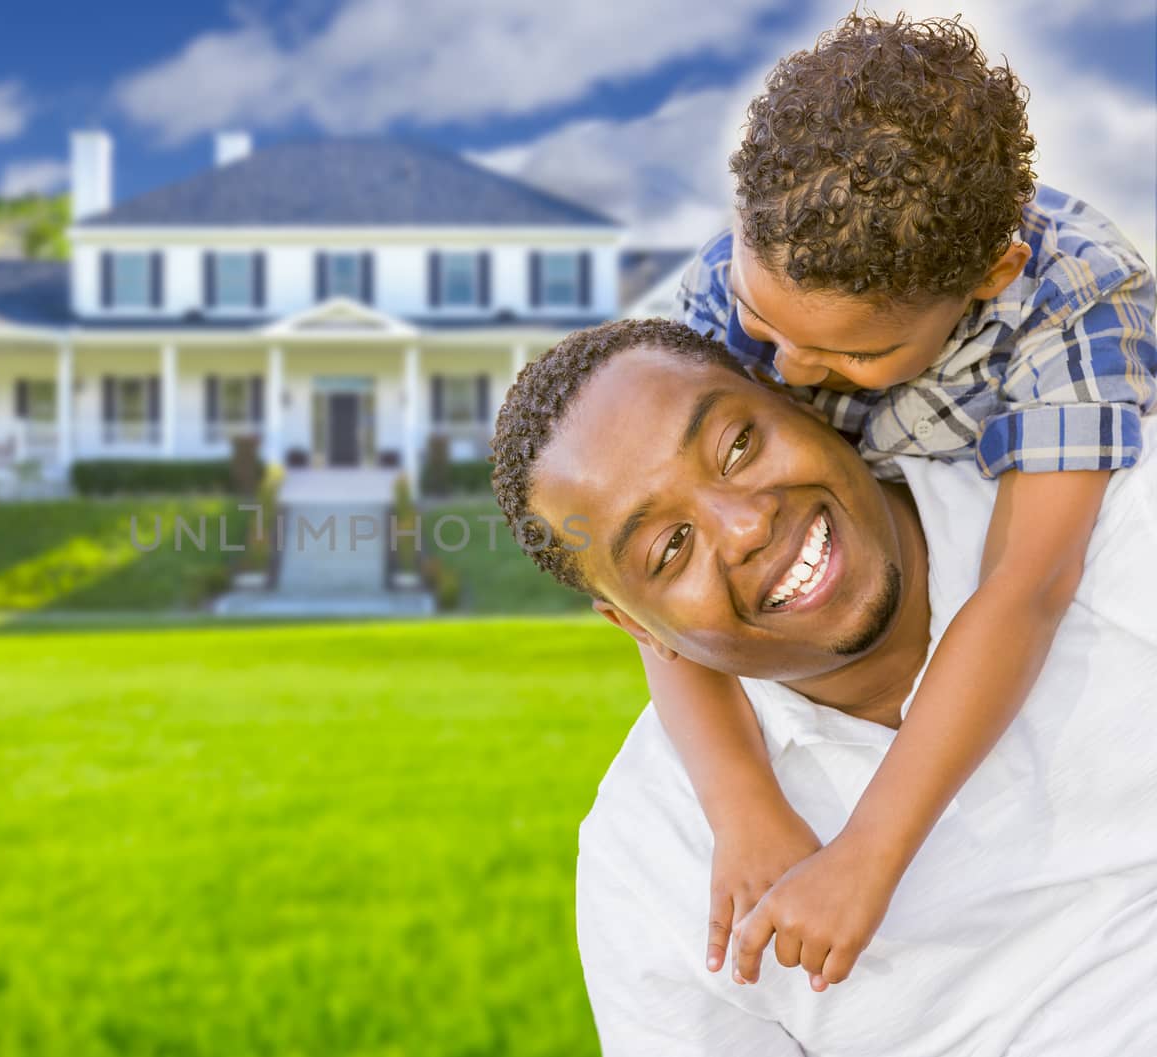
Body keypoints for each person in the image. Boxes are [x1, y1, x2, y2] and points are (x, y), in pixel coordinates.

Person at [488, 318, 1157, 1054]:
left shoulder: (1113, 512)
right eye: (669, 548)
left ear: (797, 396)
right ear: (637, 628)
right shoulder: (650, 859)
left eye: (737, 446)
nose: (744, 526)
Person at [660, 13, 1156, 988]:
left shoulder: (1079, 300)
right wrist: (742, 801)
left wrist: (867, 854)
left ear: (989, 277)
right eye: (767, 323)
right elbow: (645, 565)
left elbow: (1025, 585)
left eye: (853, 354)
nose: (788, 369)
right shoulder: (727, 288)